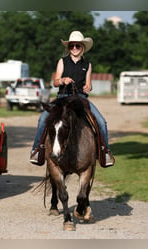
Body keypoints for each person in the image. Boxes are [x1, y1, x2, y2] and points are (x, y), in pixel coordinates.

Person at [30, 31, 115, 167]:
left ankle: (105, 152)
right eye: (72, 46)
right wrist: (62, 80)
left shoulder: (87, 64)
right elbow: (55, 82)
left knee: (101, 122)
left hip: (81, 98)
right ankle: (37, 150)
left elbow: (88, 83)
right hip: (63, 97)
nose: (74, 48)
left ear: (82, 48)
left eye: (77, 46)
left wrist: (89, 86)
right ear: (68, 48)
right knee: (42, 119)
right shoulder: (62, 61)